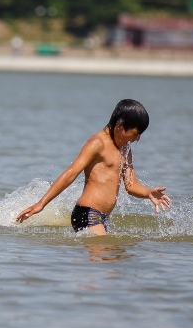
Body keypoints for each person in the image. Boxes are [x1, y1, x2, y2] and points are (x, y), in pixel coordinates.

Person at [16, 99, 171, 235]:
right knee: (103, 262)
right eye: (135, 133)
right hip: (87, 213)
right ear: (119, 127)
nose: (137, 139)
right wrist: (40, 204)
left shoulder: (125, 150)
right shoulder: (97, 143)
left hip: (101, 217)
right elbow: (71, 174)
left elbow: (131, 185)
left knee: (120, 256)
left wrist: (148, 193)